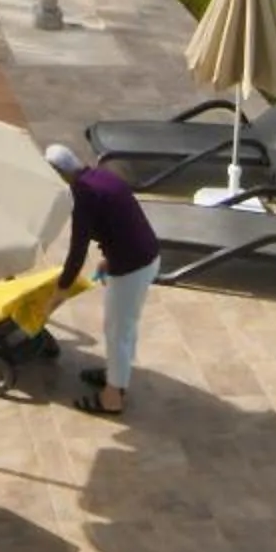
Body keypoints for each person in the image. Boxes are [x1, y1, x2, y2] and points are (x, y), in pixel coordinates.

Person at [47, 142, 160, 416]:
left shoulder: (83, 195)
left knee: (117, 332)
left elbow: (77, 250)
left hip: (132, 268)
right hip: (146, 255)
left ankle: (112, 398)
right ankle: (115, 376)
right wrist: (109, 257)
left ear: (60, 173)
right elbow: (122, 222)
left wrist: (61, 289)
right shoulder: (102, 177)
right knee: (124, 326)